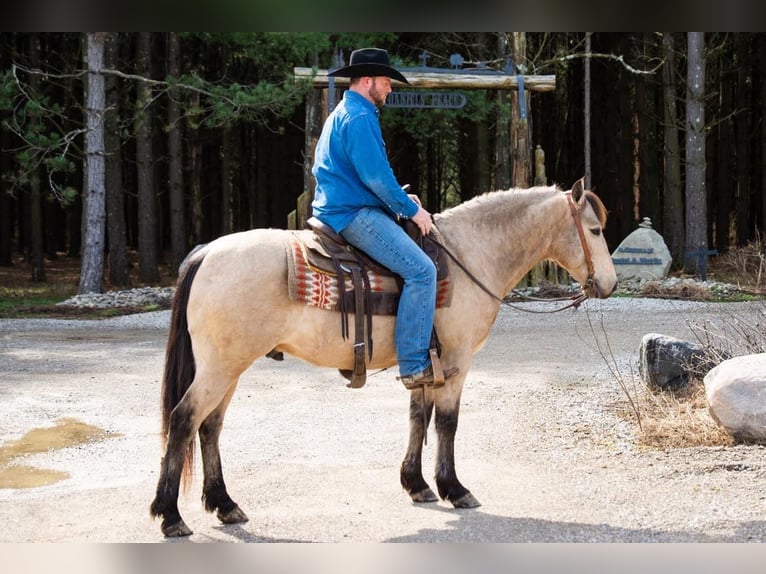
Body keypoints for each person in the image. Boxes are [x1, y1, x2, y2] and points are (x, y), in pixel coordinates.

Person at [311, 47, 456, 389]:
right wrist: (412, 210)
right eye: (387, 82)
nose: (390, 88)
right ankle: (414, 364)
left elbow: (368, 176)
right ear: (368, 81)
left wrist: (401, 198)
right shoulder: (360, 118)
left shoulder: (344, 112)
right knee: (422, 271)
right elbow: (376, 178)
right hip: (352, 213)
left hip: (341, 205)